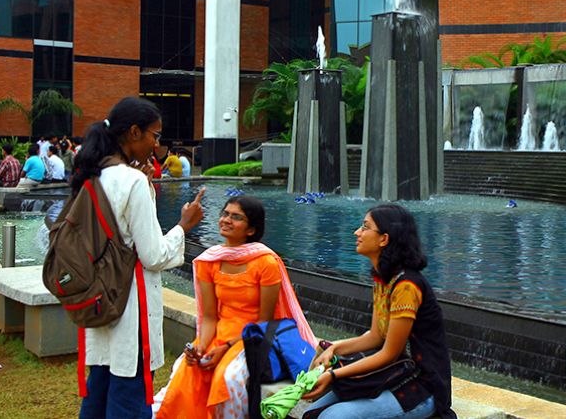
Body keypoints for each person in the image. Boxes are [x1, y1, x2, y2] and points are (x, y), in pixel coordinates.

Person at [75, 96, 205, 418]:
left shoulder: (92, 175)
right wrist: (183, 226)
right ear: (134, 132)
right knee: (129, 397)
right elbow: (153, 255)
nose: (157, 144)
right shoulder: (133, 182)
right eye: (155, 135)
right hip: (131, 306)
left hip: (99, 298)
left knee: (100, 390)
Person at [154, 196, 316, 418]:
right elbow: (210, 317)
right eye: (225, 214)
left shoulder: (265, 263)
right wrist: (200, 347)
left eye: (236, 217)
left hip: (252, 338)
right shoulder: (209, 261)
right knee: (188, 368)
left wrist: (227, 347)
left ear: (251, 230)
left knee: (230, 379)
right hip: (219, 332)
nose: (226, 220)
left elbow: (264, 322)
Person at [303, 204, 456, 419]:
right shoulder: (383, 279)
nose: (357, 232)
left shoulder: (407, 286)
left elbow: (389, 353)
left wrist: (333, 376)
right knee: (312, 413)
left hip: (421, 387)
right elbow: (375, 337)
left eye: (365, 227)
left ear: (384, 239)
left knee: (333, 417)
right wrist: (334, 348)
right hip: (393, 374)